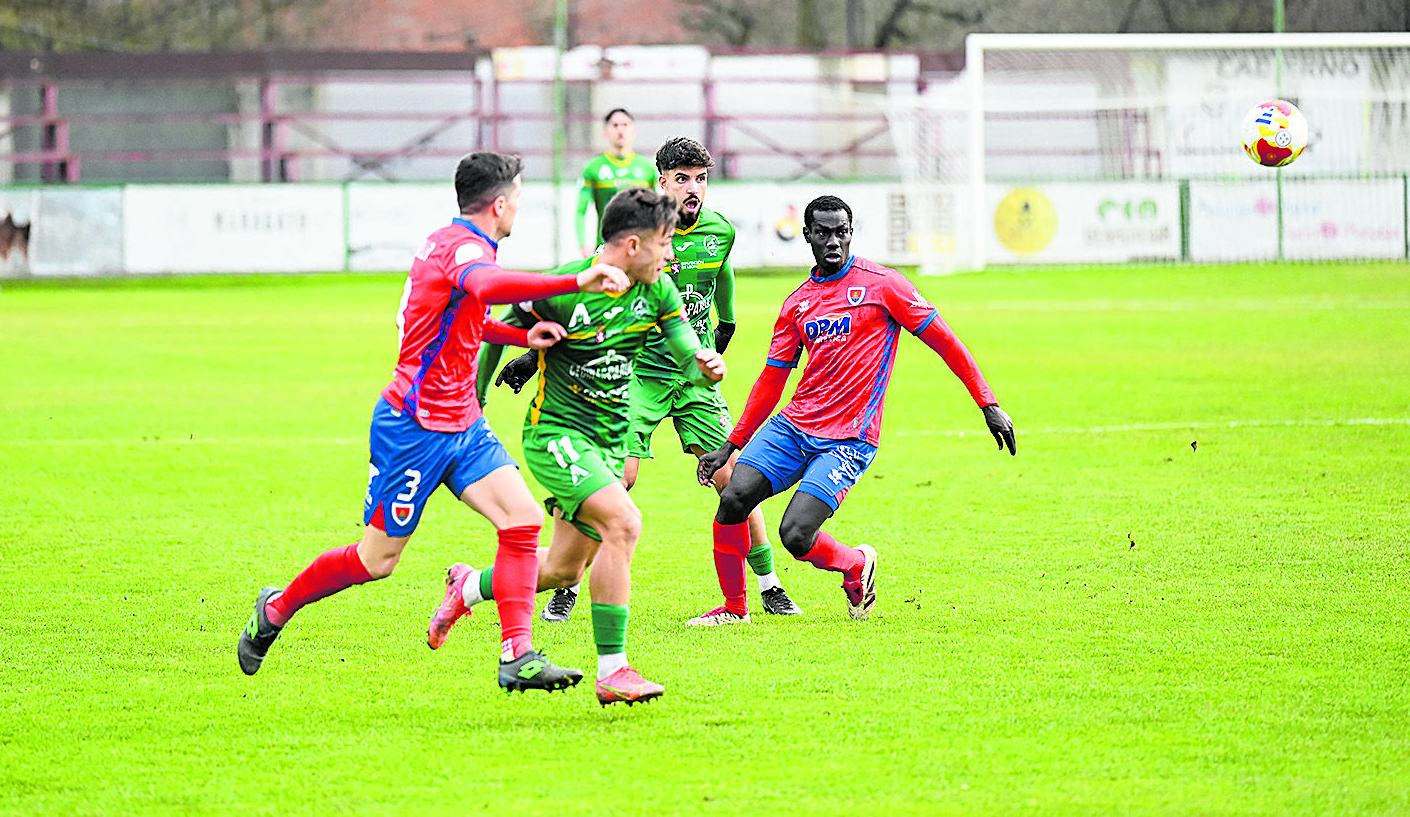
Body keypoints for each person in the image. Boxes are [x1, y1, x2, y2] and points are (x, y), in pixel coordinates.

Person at [237, 151, 630, 693]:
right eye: (517, 197)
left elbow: (463, 316)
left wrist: (521, 337)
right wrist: (577, 281)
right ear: (498, 203)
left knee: (521, 519)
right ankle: (276, 607)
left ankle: (517, 654)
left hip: (461, 421)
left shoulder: (456, 243)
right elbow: (487, 287)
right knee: (378, 561)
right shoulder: (465, 250)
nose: (519, 206)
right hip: (413, 427)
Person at [428, 188, 727, 706]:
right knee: (624, 522)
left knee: (563, 569)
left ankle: (469, 587)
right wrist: (473, 400)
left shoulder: (656, 290)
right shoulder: (565, 286)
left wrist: (700, 360)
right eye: (664, 244)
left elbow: (681, 343)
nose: (672, 254)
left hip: (609, 440)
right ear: (632, 245)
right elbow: (491, 324)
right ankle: (613, 670)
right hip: (557, 436)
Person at [509, 136, 798, 627]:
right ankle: (569, 582)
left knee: (735, 479)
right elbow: (588, 293)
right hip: (637, 374)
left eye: (701, 178)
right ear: (661, 181)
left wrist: (724, 324)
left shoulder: (719, 231)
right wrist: (530, 356)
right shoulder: (641, 234)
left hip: (692, 380)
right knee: (618, 477)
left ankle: (769, 585)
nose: (693, 188)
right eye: (682, 178)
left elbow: (720, 275)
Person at [695, 194, 1017, 620]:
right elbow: (772, 380)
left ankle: (855, 565)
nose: (833, 241)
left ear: (851, 233)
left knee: (794, 535)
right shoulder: (797, 302)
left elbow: (947, 342)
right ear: (807, 236)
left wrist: (988, 403)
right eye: (823, 233)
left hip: (848, 439)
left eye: (841, 232)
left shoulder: (884, 286)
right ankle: (735, 611)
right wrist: (733, 444)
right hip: (792, 427)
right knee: (733, 498)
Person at [577, 108, 657, 248]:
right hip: (606, 246)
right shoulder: (593, 167)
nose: (620, 130)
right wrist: (583, 244)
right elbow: (580, 211)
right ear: (605, 132)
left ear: (633, 131)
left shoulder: (647, 168)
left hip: (639, 248)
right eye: (615, 125)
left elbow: (657, 210)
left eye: (625, 125)